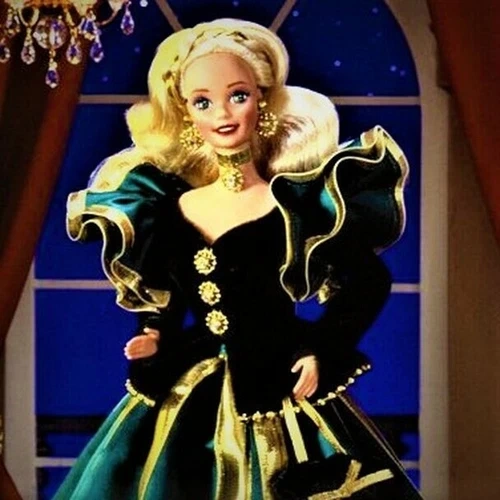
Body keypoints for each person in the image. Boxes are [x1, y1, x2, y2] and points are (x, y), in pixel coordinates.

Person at [56, 18, 422, 500]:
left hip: (278, 380)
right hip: (188, 380)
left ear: (262, 101)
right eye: (203, 102)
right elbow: (169, 295)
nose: (223, 114)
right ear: (186, 114)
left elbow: (367, 282)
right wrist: (154, 333)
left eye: (238, 95)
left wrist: (323, 347)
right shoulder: (172, 208)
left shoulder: (292, 205)